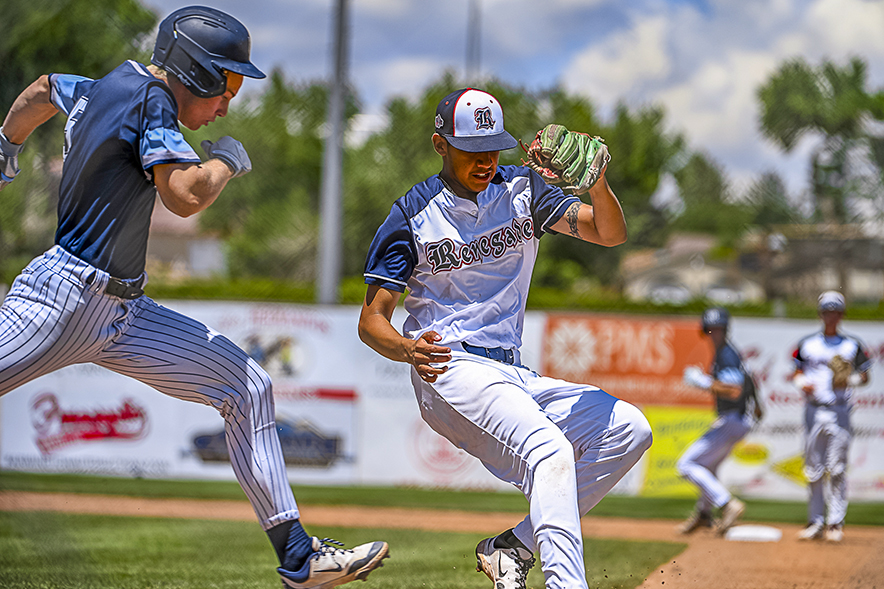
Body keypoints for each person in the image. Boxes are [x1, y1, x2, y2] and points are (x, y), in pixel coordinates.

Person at [0, 6, 387, 588]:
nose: (229, 102)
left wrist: (6, 144)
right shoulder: (152, 99)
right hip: (63, 299)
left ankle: (299, 557)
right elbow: (182, 194)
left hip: (120, 315)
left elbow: (44, 90)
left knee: (247, 385)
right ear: (196, 71)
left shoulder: (104, 87)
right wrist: (227, 160)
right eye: (227, 84)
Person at [357, 88, 653, 589]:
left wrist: (597, 185)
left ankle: (513, 547)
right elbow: (371, 321)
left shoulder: (523, 190)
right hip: (447, 365)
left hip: (511, 370)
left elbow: (609, 233)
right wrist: (407, 349)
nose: (486, 160)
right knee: (550, 451)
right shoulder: (410, 214)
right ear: (440, 144)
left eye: (493, 147)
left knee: (629, 429)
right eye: (472, 149)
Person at [791, 291, 871, 542]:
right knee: (813, 469)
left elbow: (866, 377)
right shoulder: (807, 344)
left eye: (835, 311)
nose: (830, 316)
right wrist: (801, 383)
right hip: (814, 410)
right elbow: (796, 372)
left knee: (836, 469)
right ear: (820, 313)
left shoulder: (852, 345)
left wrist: (850, 380)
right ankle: (815, 522)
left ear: (842, 314)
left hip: (839, 411)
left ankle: (835, 523)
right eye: (826, 311)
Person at [677, 308, 762, 535]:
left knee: (686, 465)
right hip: (737, 419)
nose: (715, 333)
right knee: (708, 467)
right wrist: (758, 404)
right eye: (711, 329)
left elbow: (733, 391)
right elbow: (749, 380)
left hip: (732, 419)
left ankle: (727, 504)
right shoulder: (728, 353)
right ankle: (704, 514)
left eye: (719, 329)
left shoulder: (726, 354)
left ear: (725, 330)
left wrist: (702, 382)